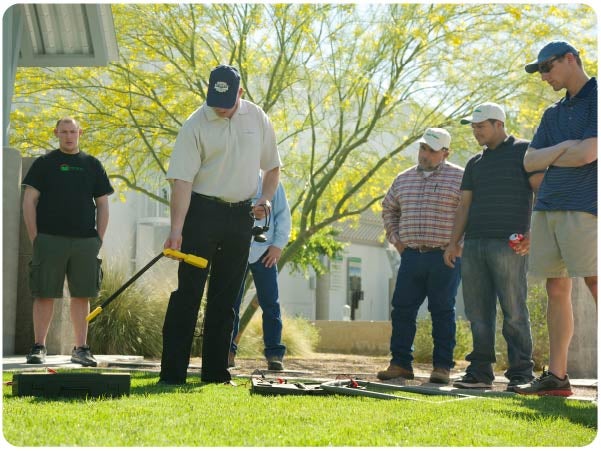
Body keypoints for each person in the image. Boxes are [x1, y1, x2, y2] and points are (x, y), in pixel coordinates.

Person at [159, 64, 281, 385]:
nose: (220, 108)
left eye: (227, 102)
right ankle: (172, 373)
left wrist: (265, 199)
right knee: (189, 293)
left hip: (240, 216)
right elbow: (182, 181)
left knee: (226, 298)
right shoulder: (195, 124)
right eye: (215, 100)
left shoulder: (257, 118)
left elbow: (272, 167)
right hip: (200, 213)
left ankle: (216, 374)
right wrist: (176, 230)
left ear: (240, 92)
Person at [514, 41, 597, 397]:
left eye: (548, 68)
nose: (544, 77)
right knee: (556, 288)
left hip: (586, 206)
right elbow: (530, 162)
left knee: (595, 282)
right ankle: (558, 378)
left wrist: (556, 154)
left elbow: (590, 153)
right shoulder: (552, 114)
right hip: (547, 207)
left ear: (570, 59)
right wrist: (567, 148)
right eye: (541, 71)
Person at [443, 102, 544, 391]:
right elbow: (464, 206)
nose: (476, 132)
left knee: (514, 310)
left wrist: (531, 233)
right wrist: (453, 243)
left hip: (509, 245)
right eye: (473, 127)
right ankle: (480, 373)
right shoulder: (475, 163)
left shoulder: (525, 151)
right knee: (477, 312)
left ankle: (521, 374)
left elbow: (541, 191)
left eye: (481, 126)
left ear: (499, 124)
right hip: (474, 245)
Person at [22, 117, 114, 367]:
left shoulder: (92, 165)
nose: (69, 136)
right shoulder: (44, 164)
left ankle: (81, 349)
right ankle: (39, 347)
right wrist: (35, 237)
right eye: (64, 132)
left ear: (80, 133)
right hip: (49, 239)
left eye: (73, 131)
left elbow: (103, 204)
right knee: (43, 294)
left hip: (85, 241)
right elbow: (29, 200)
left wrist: (98, 238)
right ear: (56, 134)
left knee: (82, 296)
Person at [377, 128, 464, 385]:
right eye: (423, 148)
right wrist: (397, 241)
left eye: (432, 150)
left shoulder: (461, 178)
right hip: (411, 255)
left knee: (442, 311)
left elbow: (471, 214)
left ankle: (442, 367)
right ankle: (400, 363)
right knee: (402, 309)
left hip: (444, 256)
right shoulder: (402, 179)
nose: (425, 154)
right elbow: (389, 209)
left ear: (446, 153)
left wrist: (458, 246)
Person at [229, 176, 291, 371]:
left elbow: (283, 214)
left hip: (265, 250)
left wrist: (278, 246)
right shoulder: (233, 175)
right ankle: (227, 352)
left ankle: (274, 354)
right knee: (231, 303)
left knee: (271, 303)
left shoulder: (271, 181)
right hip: (236, 247)